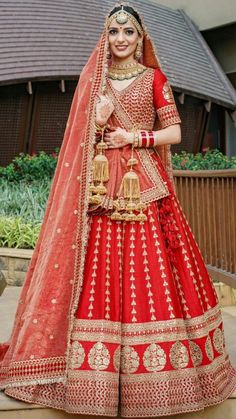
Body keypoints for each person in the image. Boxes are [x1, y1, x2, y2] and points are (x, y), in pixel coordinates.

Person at [0, 3, 236, 417]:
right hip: (98, 186)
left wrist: (135, 135)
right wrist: (98, 121)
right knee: (98, 270)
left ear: (141, 37)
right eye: (114, 32)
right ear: (106, 37)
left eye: (129, 32)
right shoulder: (94, 82)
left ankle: (160, 377)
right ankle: (95, 374)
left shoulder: (154, 78)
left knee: (153, 268)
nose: (122, 39)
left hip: (143, 184)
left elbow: (176, 131)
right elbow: (78, 136)